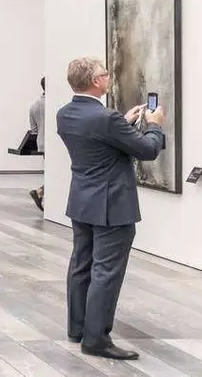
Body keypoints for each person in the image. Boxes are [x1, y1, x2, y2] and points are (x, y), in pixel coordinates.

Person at [57, 57, 164, 361]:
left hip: (82, 201)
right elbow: (147, 150)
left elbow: (99, 142)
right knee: (106, 271)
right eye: (105, 74)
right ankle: (96, 339)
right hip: (112, 204)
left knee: (81, 265)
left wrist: (123, 123)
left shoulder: (65, 114)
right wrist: (154, 126)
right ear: (95, 82)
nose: (108, 77)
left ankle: (78, 329)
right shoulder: (106, 118)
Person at [29, 77, 46, 211]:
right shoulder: (53, 104)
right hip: (55, 142)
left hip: (41, 142)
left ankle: (40, 192)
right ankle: (40, 191)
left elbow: (33, 130)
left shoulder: (34, 105)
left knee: (51, 171)